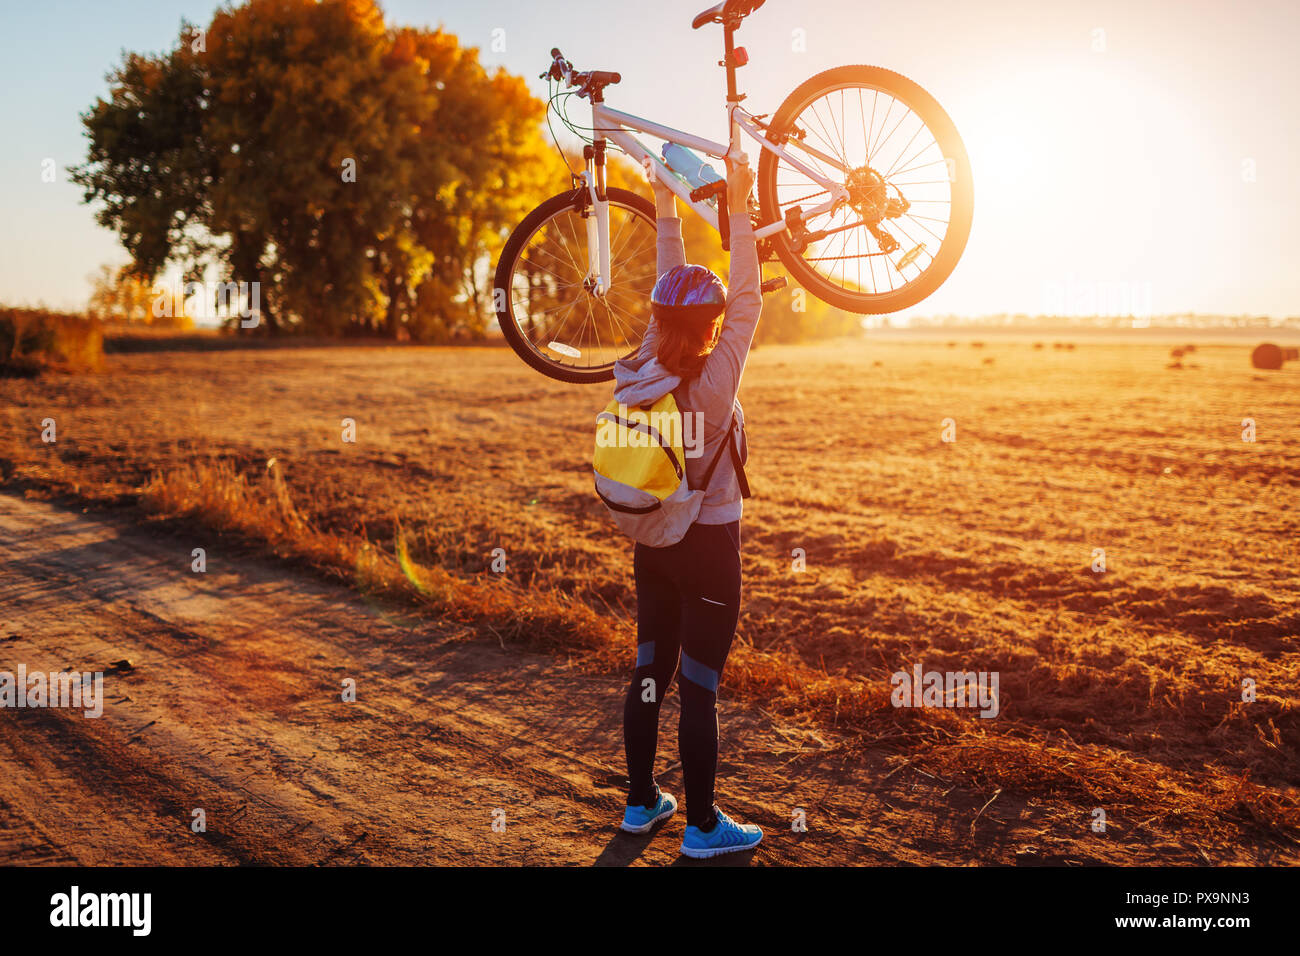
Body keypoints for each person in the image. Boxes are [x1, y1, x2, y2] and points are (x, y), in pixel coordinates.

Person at [612, 155, 764, 859]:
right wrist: (739, 207)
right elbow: (749, 296)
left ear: (660, 318)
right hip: (709, 549)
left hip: (653, 542)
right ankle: (702, 827)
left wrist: (664, 205)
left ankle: (641, 804)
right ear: (712, 326)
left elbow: (666, 285)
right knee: (698, 689)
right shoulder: (714, 373)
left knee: (651, 673)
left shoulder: (645, 365)